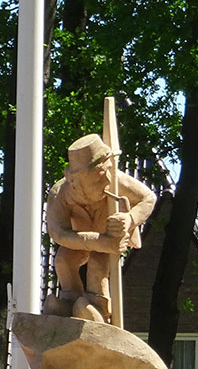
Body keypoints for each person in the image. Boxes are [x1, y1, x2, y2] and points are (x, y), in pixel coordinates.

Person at [42, 133, 156, 323]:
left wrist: (129, 218)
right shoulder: (59, 195)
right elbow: (59, 233)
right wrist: (98, 241)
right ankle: (70, 303)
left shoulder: (115, 180)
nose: (107, 182)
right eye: (98, 179)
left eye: (107, 173)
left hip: (109, 232)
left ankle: (98, 309)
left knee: (97, 264)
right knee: (63, 260)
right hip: (82, 237)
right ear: (76, 182)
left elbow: (148, 198)